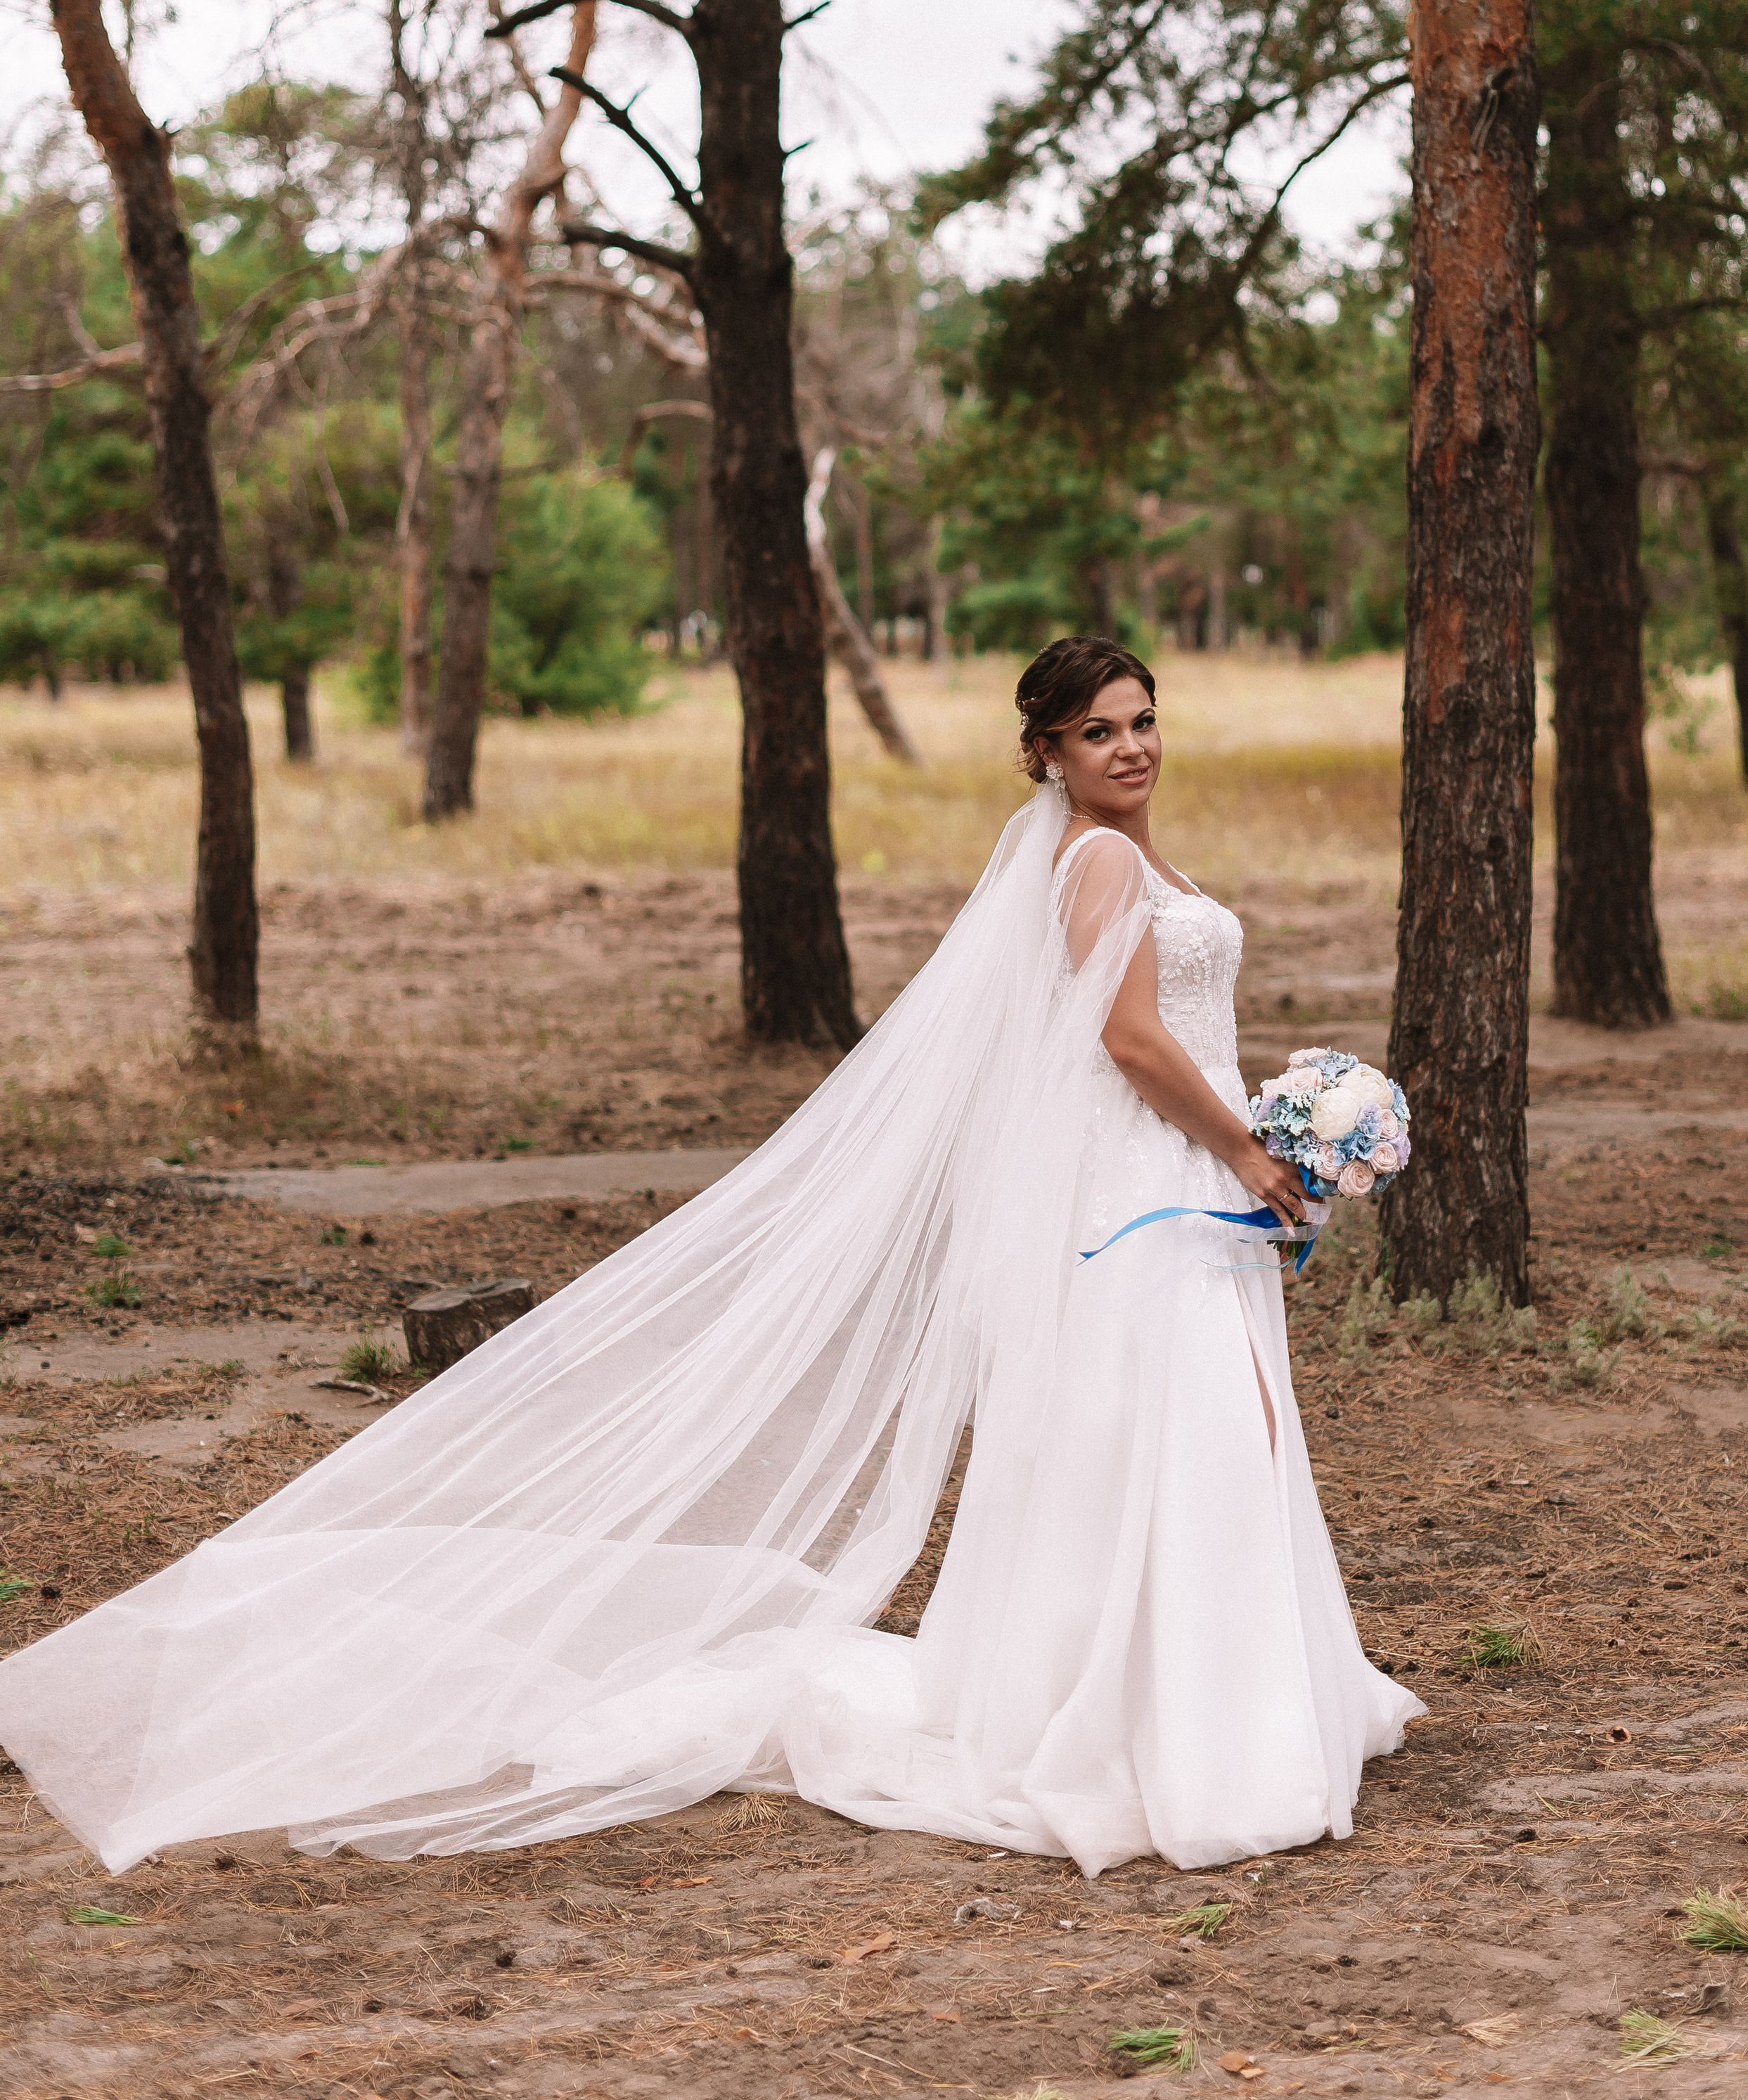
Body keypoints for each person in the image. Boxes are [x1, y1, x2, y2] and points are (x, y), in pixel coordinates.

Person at [0, 636, 1420, 1878]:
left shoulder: (1141, 853)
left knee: (1192, 1438)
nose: (1128, 746)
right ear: (1044, 753)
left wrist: (1283, 1120)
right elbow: (1119, 1038)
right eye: (1095, 729)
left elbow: (1170, 1019)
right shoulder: (1096, 853)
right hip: (1155, 1187)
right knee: (1171, 1437)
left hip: (1188, 1175)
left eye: (1140, 717)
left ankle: (1218, 1692)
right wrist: (1244, 1148)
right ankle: (1169, 1722)